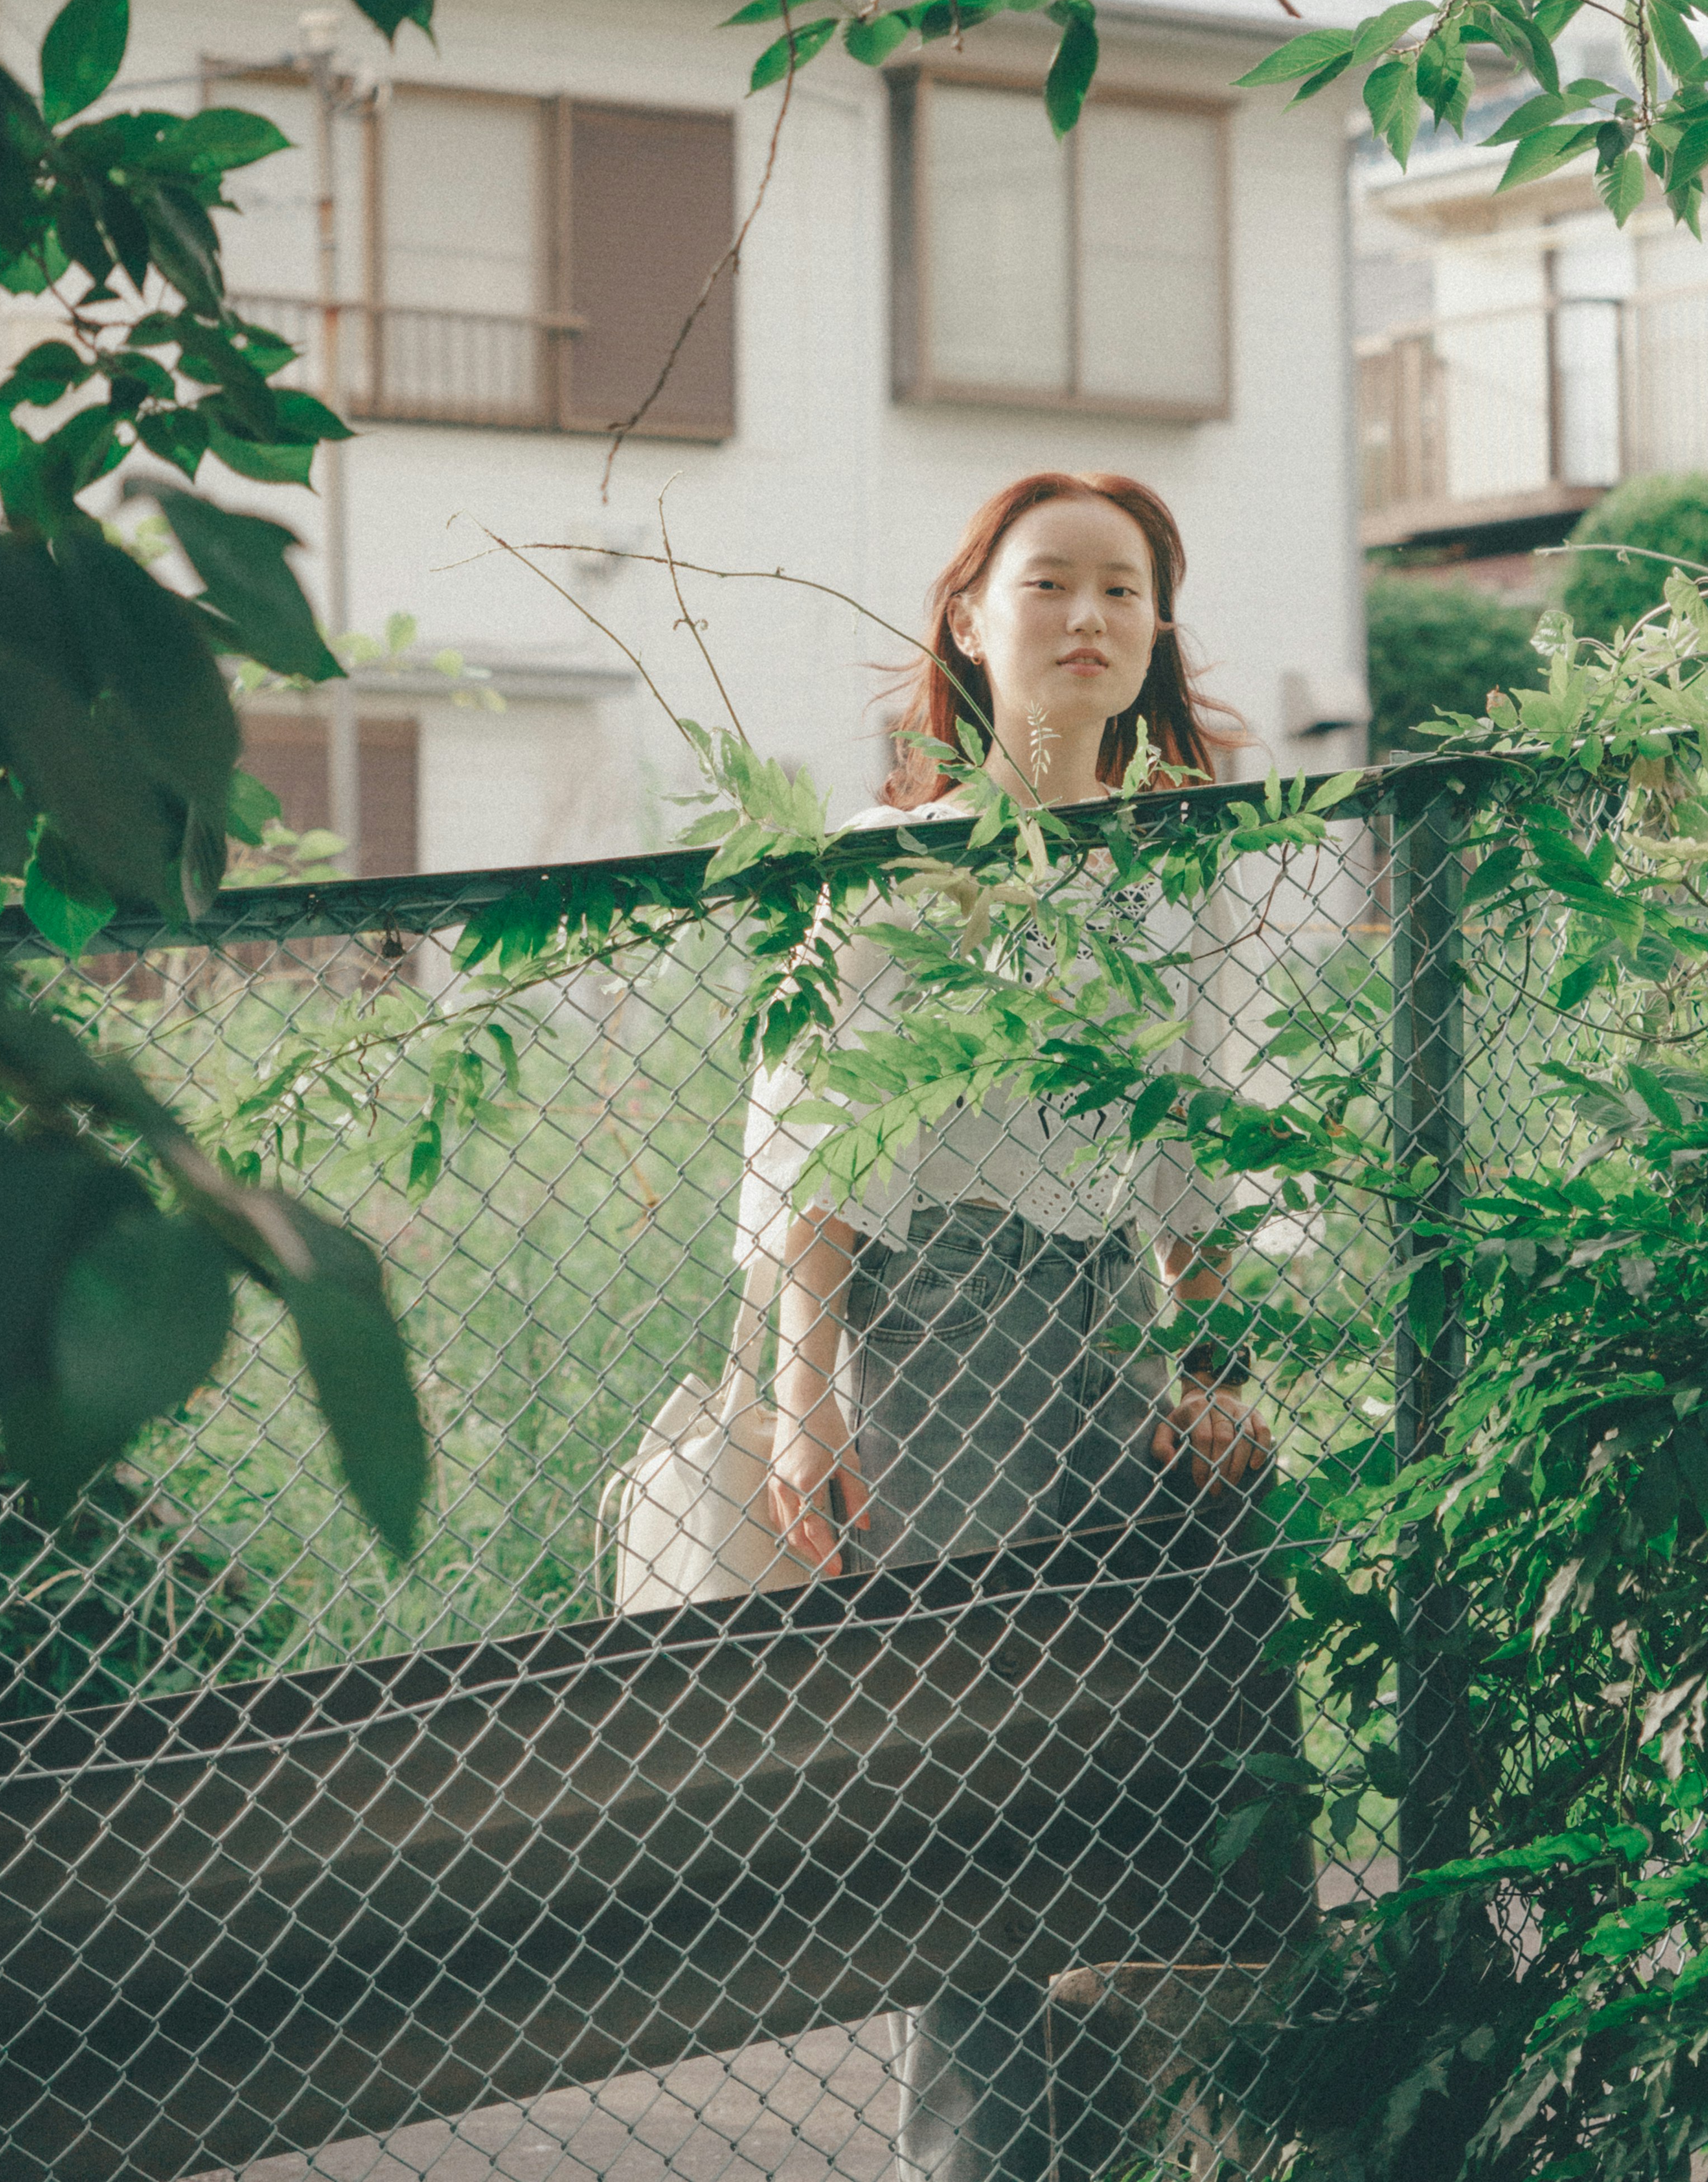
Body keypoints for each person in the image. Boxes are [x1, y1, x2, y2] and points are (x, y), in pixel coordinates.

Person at [744, 471, 1270, 2182]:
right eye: (1050, 585)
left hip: (1109, 1323)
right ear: (971, 618)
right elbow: (819, 1152)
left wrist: (1214, 1368)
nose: (1090, 619)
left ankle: (1126, 2153)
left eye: (1125, 589)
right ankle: (972, 2166)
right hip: (938, 1330)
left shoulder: (1190, 868)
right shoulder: (897, 868)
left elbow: (1204, 1137)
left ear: (1157, 632)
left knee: (1130, 1766)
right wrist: (802, 1396)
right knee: (977, 1781)